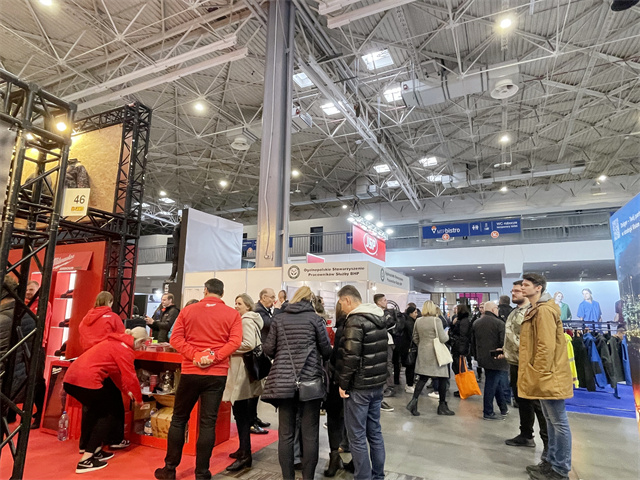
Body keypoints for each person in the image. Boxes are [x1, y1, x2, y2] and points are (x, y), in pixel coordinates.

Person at [155, 278, 243, 480]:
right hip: (216, 374)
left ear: (205, 291)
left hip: (190, 371)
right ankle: (202, 473)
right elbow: (235, 342)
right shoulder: (232, 314)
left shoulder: (188, 311)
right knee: (207, 424)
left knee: (179, 419)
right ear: (222, 293)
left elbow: (175, 339)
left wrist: (195, 355)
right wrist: (213, 357)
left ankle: (169, 469)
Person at [261, 286, 332, 480]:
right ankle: (308, 477)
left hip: (283, 383)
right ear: (311, 301)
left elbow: (268, 349)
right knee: (310, 435)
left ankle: (288, 477)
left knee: (285, 435)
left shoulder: (279, 319)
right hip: (310, 383)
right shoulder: (315, 319)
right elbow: (326, 351)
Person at [63, 327, 147, 474]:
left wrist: (127, 392)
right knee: (108, 415)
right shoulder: (125, 350)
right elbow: (130, 376)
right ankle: (86, 459)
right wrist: (139, 399)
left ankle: (94, 449)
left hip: (71, 380)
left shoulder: (113, 343)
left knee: (95, 412)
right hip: (87, 382)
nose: (142, 347)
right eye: (143, 344)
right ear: (139, 341)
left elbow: (115, 374)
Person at [519, 273, 573, 480]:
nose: (522, 288)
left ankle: (560, 470)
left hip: (548, 374)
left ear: (538, 287)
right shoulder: (537, 309)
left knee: (558, 422)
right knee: (551, 421)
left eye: (526, 285)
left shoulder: (544, 310)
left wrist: (539, 373)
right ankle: (550, 462)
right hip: (545, 374)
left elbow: (545, 346)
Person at [335, 285, 388, 480]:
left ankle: (363, 477)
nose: (341, 308)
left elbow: (351, 356)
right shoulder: (379, 318)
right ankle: (378, 476)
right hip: (377, 384)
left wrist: (343, 384)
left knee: (356, 436)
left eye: (341, 303)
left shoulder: (355, 321)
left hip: (358, 387)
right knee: (375, 432)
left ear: (348, 300)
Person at [78, 291, 128, 451]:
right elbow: (121, 338)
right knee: (114, 403)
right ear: (110, 302)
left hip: (87, 362)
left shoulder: (85, 319)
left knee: (89, 405)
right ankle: (114, 439)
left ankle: (85, 444)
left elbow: (82, 339)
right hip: (106, 363)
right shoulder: (113, 318)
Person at [502, 281, 549, 450]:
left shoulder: (534, 312)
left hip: (529, 364)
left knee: (537, 404)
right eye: (513, 290)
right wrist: (505, 350)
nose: (513, 293)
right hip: (515, 363)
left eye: (517, 290)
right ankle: (526, 434)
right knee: (521, 401)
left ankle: (548, 444)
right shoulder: (514, 312)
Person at [223, 294, 265, 472]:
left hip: (242, 372)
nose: (236, 306)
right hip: (246, 372)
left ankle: (245, 454)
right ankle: (243, 449)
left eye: (239, 303)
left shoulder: (246, 321)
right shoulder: (252, 320)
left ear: (248, 306)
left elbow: (248, 344)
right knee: (241, 413)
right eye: (235, 302)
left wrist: (228, 347)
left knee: (241, 413)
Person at [406, 300, 454, 417]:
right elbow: (443, 338)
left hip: (423, 352)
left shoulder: (418, 320)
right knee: (443, 378)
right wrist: (447, 335)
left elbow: (415, 337)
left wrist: (423, 345)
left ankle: (414, 402)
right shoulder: (436, 320)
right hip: (436, 354)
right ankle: (442, 406)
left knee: (423, 378)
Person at [472, 301, 509, 420]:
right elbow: (503, 342)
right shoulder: (499, 323)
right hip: (497, 358)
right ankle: (488, 412)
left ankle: (503, 408)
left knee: (495, 383)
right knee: (491, 385)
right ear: (493, 310)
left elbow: (473, 342)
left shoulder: (476, 323)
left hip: (483, 358)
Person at [323, 301, 347, 477]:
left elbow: (336, 356)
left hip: (339, 380)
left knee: (334, 418)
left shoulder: (342, 328)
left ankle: (334, 457)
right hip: (356, 382)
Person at [23, 280, 51, 429]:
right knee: (23, 378)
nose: (28, 292)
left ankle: (41, 413)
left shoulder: (44, 304)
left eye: (31, 290)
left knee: (37, 380)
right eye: (27, 290)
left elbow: (41, 325)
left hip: (37, 345)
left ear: (38, 290)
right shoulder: (23, 303)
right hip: (22, 345)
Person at [251, 287, 278, 434]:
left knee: (258, 389)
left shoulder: (265, 310)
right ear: (263, 297)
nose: (274, 300)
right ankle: (251, 421)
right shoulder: (258, 311)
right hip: (257, 355)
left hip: (262, 354)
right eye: (272, 297)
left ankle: (254, 418)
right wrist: (278, 310)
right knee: (254, 390)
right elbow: (270, 324)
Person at [373, 294, 397, 412]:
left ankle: (389, 387)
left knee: (388, 364)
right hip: (381, 342)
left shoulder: (388, 313)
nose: (386, 302)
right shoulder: (375, 313)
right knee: (383, 365)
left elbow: (391, 324)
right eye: (384, 300)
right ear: (378, 302)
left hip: (388, 341)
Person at [402, 305, 419, 393]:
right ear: (410, 313)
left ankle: (409, 384)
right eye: (415, 312)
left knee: (410, 367)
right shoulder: (410, 323)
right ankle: (409, 384)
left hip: (407, 347)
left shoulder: (409, 321)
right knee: (410, 367)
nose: (416, 314)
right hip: (410, 348)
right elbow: (413, 336)